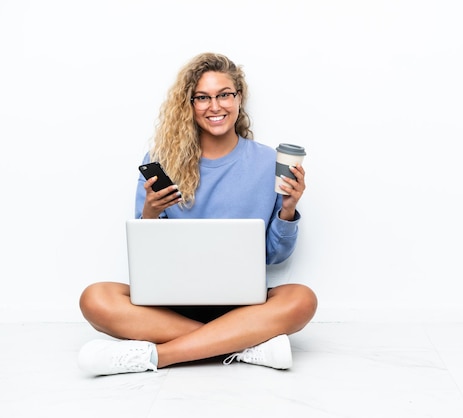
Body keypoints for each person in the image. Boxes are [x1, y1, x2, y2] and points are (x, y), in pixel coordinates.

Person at [77, 52, 317, 375]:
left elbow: (274, 256)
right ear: (189, 104)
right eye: (202, 97)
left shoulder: (268, 162)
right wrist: (150, 213)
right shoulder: (161, 159)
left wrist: (288, 210)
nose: (214, 106)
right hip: (171, 305)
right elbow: (148, 257)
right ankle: (245, 345)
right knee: (95, 298)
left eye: (224, 95)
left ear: (239, 98)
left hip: (243, 305)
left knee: (302, 299)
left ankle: (157, 356)